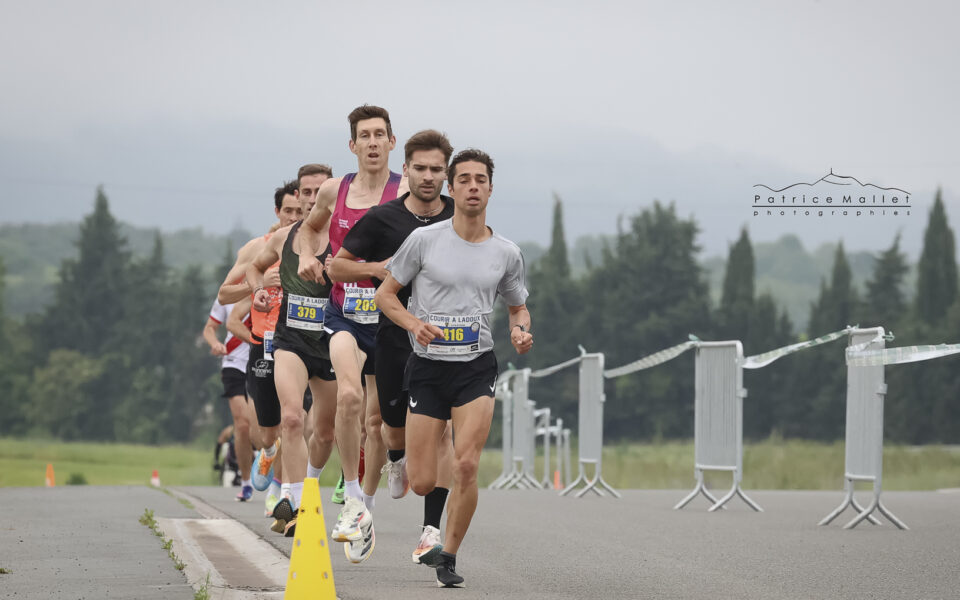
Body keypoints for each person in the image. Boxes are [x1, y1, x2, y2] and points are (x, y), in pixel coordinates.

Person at [376, 148, 533, 588]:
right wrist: (413, 324)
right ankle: (414, 460)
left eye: (480, 179)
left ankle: (448, 555)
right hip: (426, 368)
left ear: (490, 189)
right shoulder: (425, 241)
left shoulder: (506, 252)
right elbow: (385, 295)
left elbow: (519, 308)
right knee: (424, 482)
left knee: (466, 466)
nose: (472, 187)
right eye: (463, 179)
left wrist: (520, 331)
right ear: (451, 187)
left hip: (475, 368)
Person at [329, 129, 456, 566]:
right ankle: (397, 457)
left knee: (443, 431)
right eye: (419, 167)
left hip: (446, 342)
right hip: (394, 336)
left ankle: (431, 533)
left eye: (436, 169)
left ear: (446, 173)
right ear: (408, 168)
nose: (427, 176)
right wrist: (379, 267)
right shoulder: (384, 218)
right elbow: (336, 266)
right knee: (387, 423)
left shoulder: (459, 216)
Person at [297, 105, 409, 562]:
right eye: (365, 135)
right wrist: (307, 254)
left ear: (391, 142)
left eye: (381, 134)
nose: (373, 142)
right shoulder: (333, 189)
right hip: (343, 312)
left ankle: (367, 505)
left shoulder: (406, 191)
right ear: (353, 145)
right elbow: (309, 229)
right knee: (348, 398)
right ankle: (352, 505)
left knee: (377, 423)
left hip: (388, 316)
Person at [245, 163, 340, 538]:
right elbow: (254, 268)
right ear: (297, 196)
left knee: (327, 432)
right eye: (306, 192)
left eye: (320, 192)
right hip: (290, 342)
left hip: (332, 342)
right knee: (293, 419)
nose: (312, 199)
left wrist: (343, 270)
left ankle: (308, 487)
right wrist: (260, 291)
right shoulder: (284, 238)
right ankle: (291, 500)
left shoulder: (348, 238)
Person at [218, 180, 302, 521]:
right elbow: (224, 295)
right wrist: (258, 286)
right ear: (277, 212)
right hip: (265, 348)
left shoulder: (318, 244)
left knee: (295, 421)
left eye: (300, 211)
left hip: (301, 347)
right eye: (288, 211)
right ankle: (267, 453)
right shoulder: (259, 248)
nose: (294, 217)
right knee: (269, 432)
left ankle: (284, 493)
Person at [202, 298, 256, 500]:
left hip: (262, 361)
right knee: (242, 424)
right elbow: (209, 328)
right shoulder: (228, 294)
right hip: (233, 363)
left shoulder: (271, 287)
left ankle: (264, 457)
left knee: (262, 427)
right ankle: (246, 481)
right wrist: (215, 343)